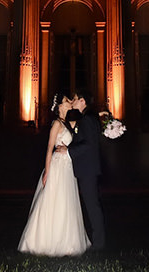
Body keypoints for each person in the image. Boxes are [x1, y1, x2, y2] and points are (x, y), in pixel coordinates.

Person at [17, 94, 91, 256]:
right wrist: (47, 172)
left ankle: (68, 241)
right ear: (59, 107)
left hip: (68, 168)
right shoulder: (56, 124)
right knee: (53, 199)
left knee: (67, 201)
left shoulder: (68, 123)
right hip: (57, 166)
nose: (70, 103)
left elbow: (81, 125)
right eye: (67, 102)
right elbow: (49, 148)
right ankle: (43, 240)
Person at [58, 90, 107, 251]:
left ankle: (99, 243)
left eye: (75, 99)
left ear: (83, 101)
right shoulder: (87, 118)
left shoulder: (86, 119)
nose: (73, 101)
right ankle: (98, 241)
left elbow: (88, 144)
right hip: (88, 168)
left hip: (88, 169)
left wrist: (68, 151)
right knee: (92, 204)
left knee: (92, 205)